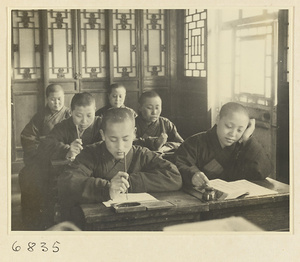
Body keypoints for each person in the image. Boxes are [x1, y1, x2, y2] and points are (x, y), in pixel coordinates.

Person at [58, 107, 182, 221]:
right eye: (113, 139)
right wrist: (107, 189)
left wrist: (128, 184)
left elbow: (174, 176)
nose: (120, 146)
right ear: (103, 135)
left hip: (139, 218)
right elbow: (67, 181)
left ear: (134, 133)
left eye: (126, 139)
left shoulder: (141, 154)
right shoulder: (91, 153)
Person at [19, 92, 102, 230]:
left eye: (89, 115)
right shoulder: (64, 125)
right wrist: (67, 149)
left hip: (95, 171)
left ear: (95, 110)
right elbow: (47, 144)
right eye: (78, 115)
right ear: (71, 112)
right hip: (68, 172)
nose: (84, 121)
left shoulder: (101, 123)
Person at [175, 102, 272, 188]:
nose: (233, 134)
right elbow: (178, 164)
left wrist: (247, 137)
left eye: (239, 130)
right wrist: (192, 175)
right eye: (229, 126)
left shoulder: (242, 147)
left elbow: (262, 170)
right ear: (218, 119)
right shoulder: (195, 142)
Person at [20, 84, 71, 165]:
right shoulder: (40, 116)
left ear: (64, 97)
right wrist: (40, 151)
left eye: (59, 99)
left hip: (66, 153)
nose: (57, 103)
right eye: (52, 99)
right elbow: (27, 136)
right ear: (47, 99)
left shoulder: (70, 114)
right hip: (45, 153)